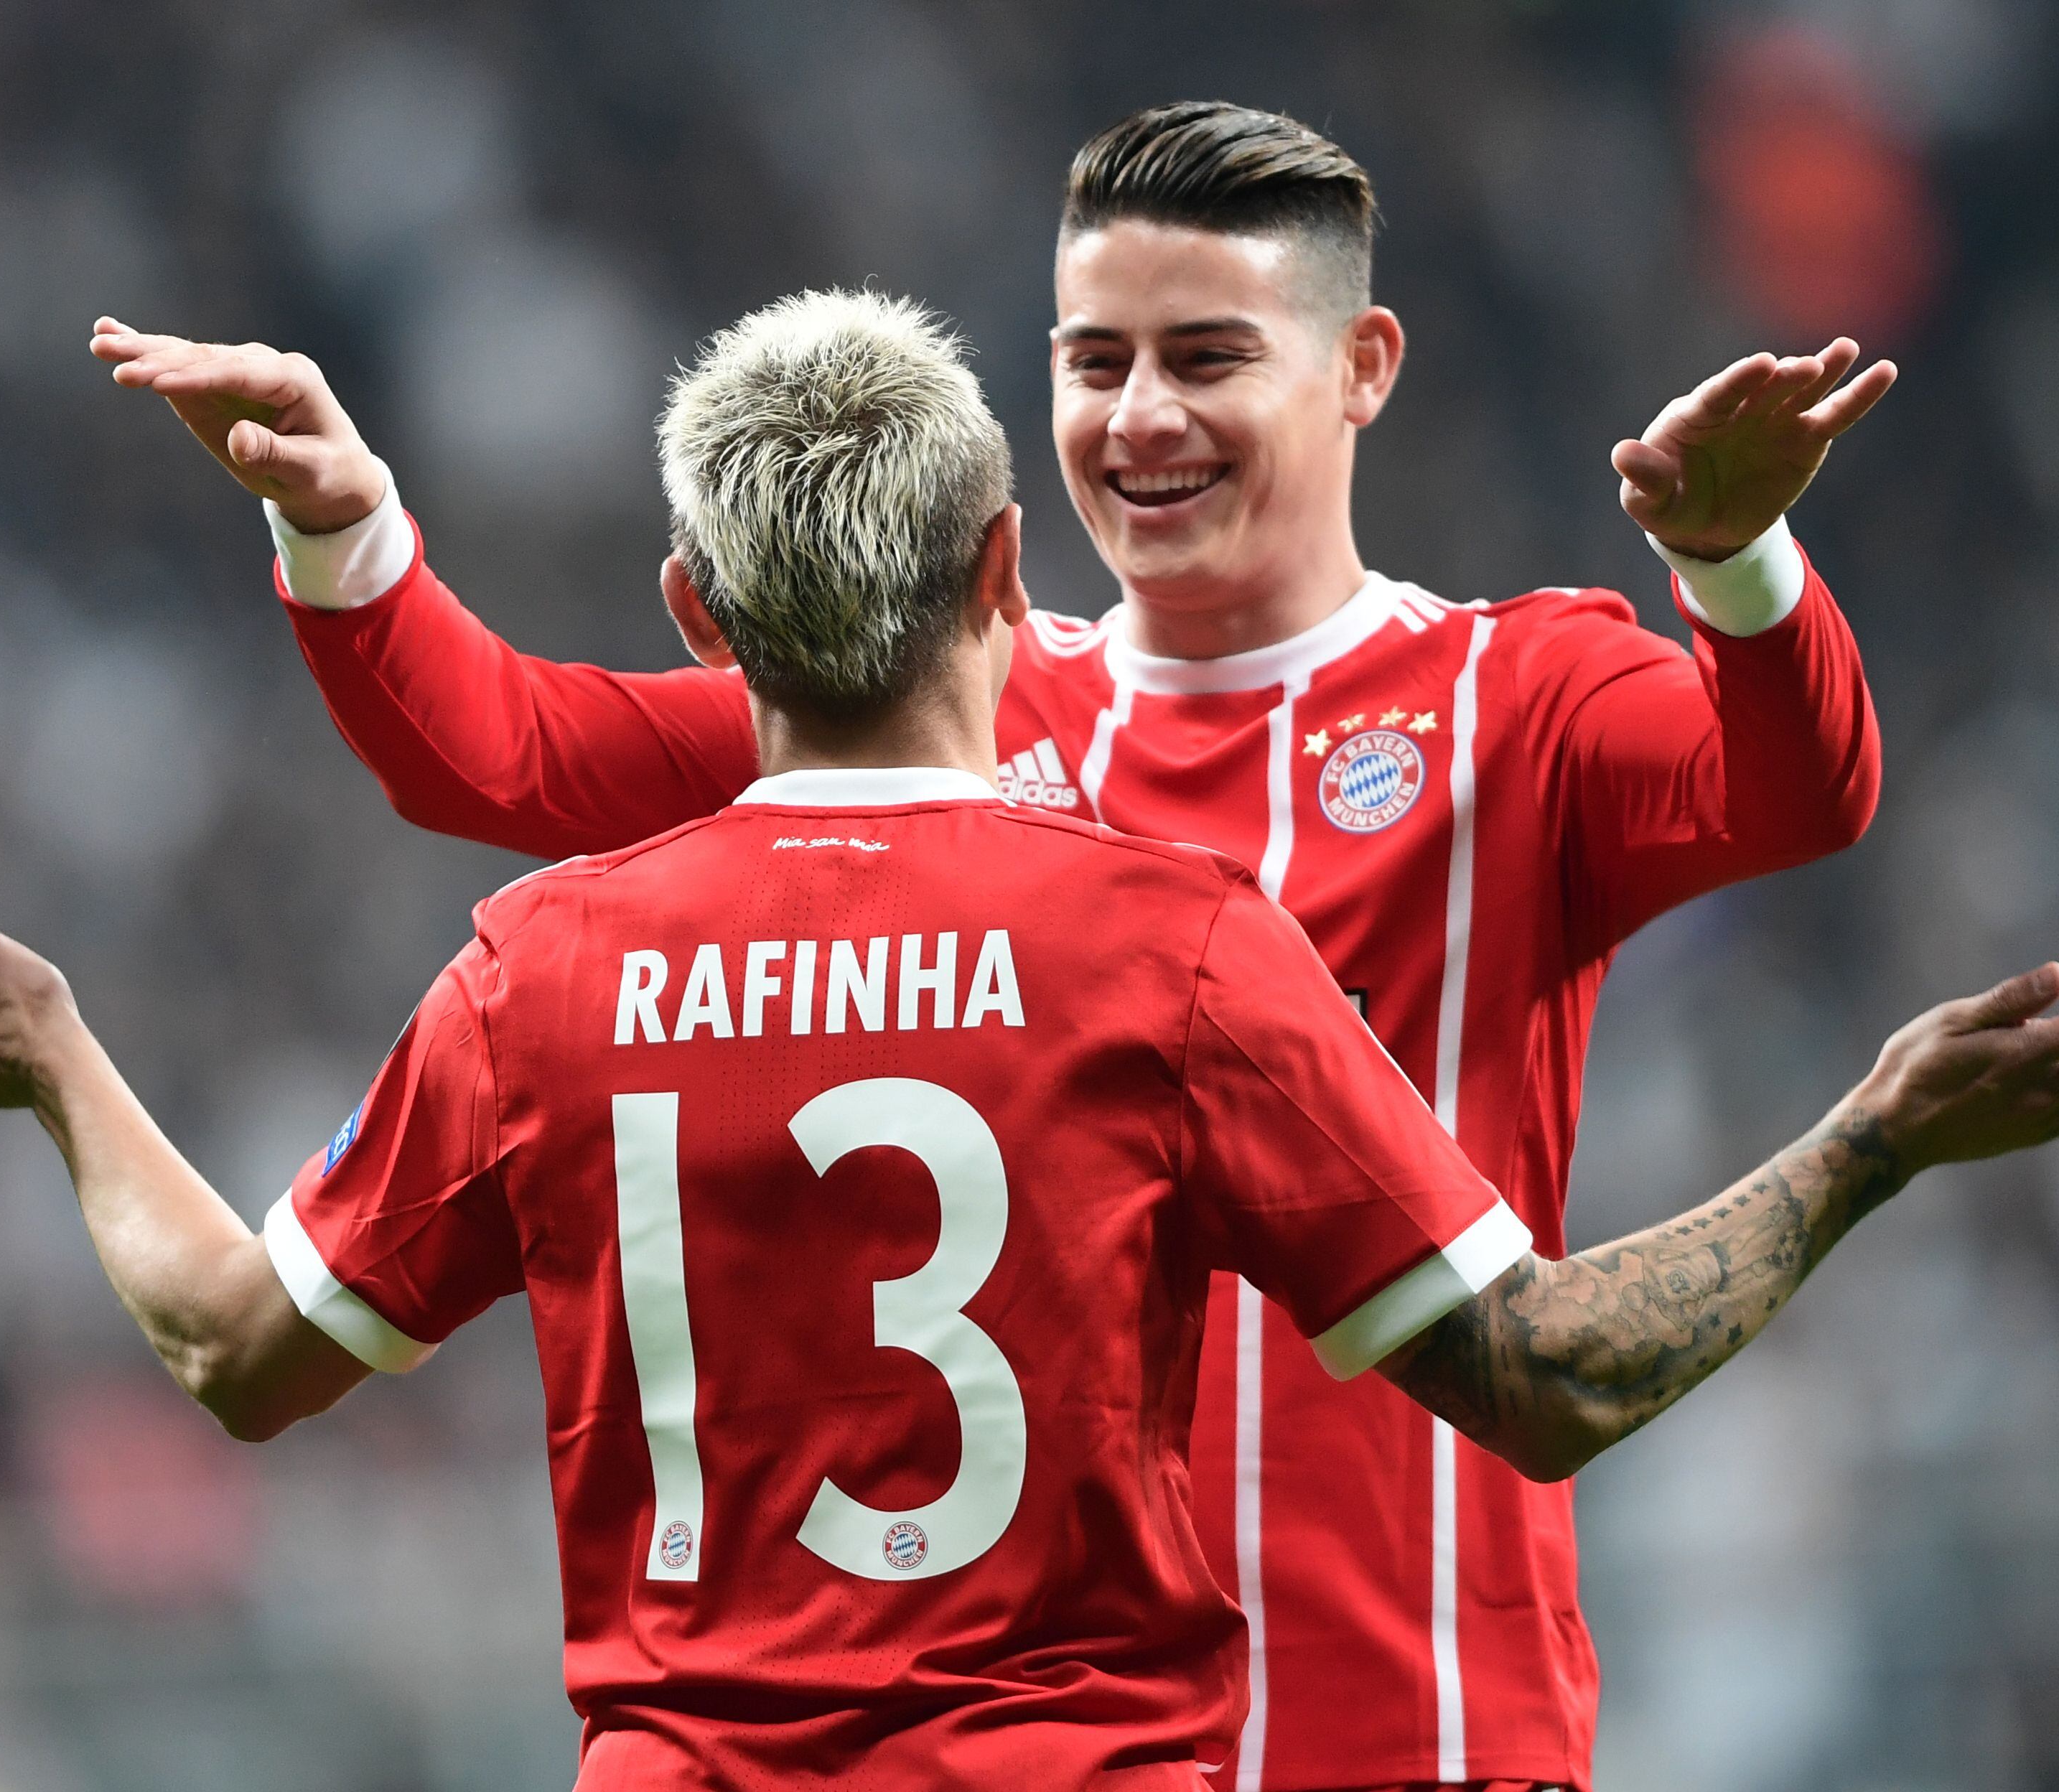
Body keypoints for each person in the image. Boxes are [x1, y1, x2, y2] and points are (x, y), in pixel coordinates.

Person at [0, 292, 2059, 1789]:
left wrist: (51, 1049)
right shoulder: (1156, 945)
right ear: (997, 570)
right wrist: (1866, 1143)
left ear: (692, 608)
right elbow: (1549, 1374)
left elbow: (236, 1346)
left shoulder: (542, 969)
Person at [91, 103, 1896, 1789]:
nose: (1139, 418)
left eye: (1206, 360)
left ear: (1362, 369)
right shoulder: (936, 710)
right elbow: (502, 750)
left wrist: (1739, 564)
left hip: (1409, 1712)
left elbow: (1795, 793)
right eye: (1092, 361)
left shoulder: (1518, 699)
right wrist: (342, 527)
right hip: (1076, 1729)